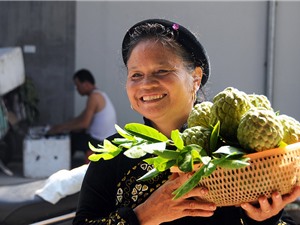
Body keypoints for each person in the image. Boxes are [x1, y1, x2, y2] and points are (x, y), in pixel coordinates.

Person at [73, 19, 300, 225]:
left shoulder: (235, 146)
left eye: (161, 71)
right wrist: (143, 216)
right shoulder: (113, 154)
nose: (146, 84)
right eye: (136, 75)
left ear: (195, 78)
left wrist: (263, 218)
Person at [47, 69, 117, 159]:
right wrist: (62, 126)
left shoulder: (94, 97)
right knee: (72, 132)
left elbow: (84, 124)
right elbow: (80, 118)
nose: (77, 89)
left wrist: (62, 128)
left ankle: (61, 164)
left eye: (77, 85)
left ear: (86, 84)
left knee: (71, 138)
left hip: (100, 142)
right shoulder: (99, 94)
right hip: (104, 139)